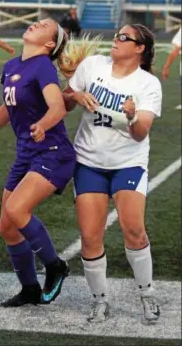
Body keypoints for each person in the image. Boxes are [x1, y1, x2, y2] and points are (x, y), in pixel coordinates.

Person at [0, 19, 76, 307]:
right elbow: (6, 111)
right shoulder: (11, 66)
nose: (37, 23)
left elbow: (57, 106)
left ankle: (55, 265)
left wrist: (44, 124)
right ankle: (30, 288)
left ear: (49, 44)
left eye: (45, 25)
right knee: (7, 226)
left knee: (17, 208)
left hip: (53, 152)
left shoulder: (44, 65)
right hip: (26, 154)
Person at [60, 24, 162, 324]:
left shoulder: (147, 84)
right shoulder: (92, 66)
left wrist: (131, 116)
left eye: (123, 37)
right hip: (88, 161)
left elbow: (141, 133)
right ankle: (100, 301)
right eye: (116, 35)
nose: (115, 40)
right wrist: (76, 96)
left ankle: (146, 294)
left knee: (134, 230)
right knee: (90, 236)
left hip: (128, 162)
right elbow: (64, 103)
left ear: (140, 48)